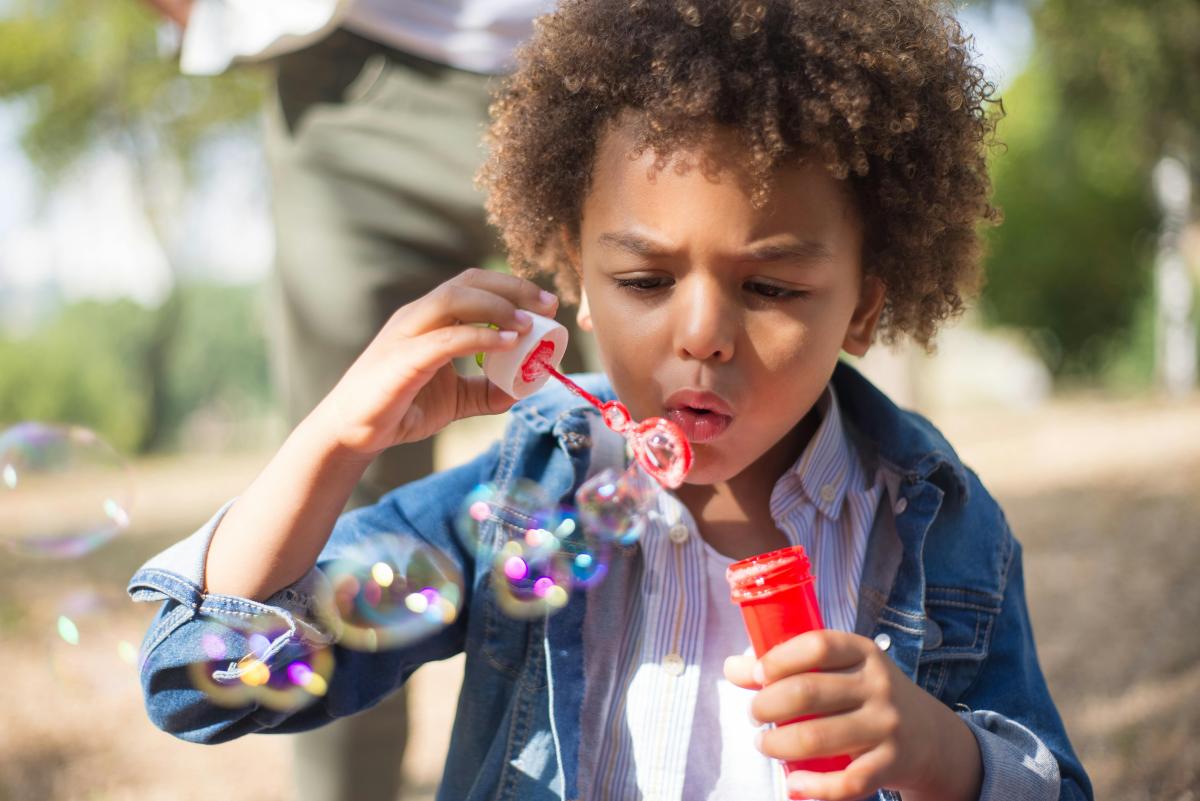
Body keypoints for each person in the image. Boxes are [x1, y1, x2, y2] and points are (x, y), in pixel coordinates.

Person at [128, 1, 1094, 799]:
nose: (703, 333)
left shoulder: (935, 519)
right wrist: (337, 437)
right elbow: (201, 686)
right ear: (578, 280)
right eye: (643, 280)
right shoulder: (525, 498)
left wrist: (947, 757)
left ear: (864, 304)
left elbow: (1051, 782)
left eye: (773, 288)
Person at [139, 2, 560, 800]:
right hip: (357, 71)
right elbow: (189, 677)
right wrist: (333, 441)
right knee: (347, 555)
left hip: (650, 56)